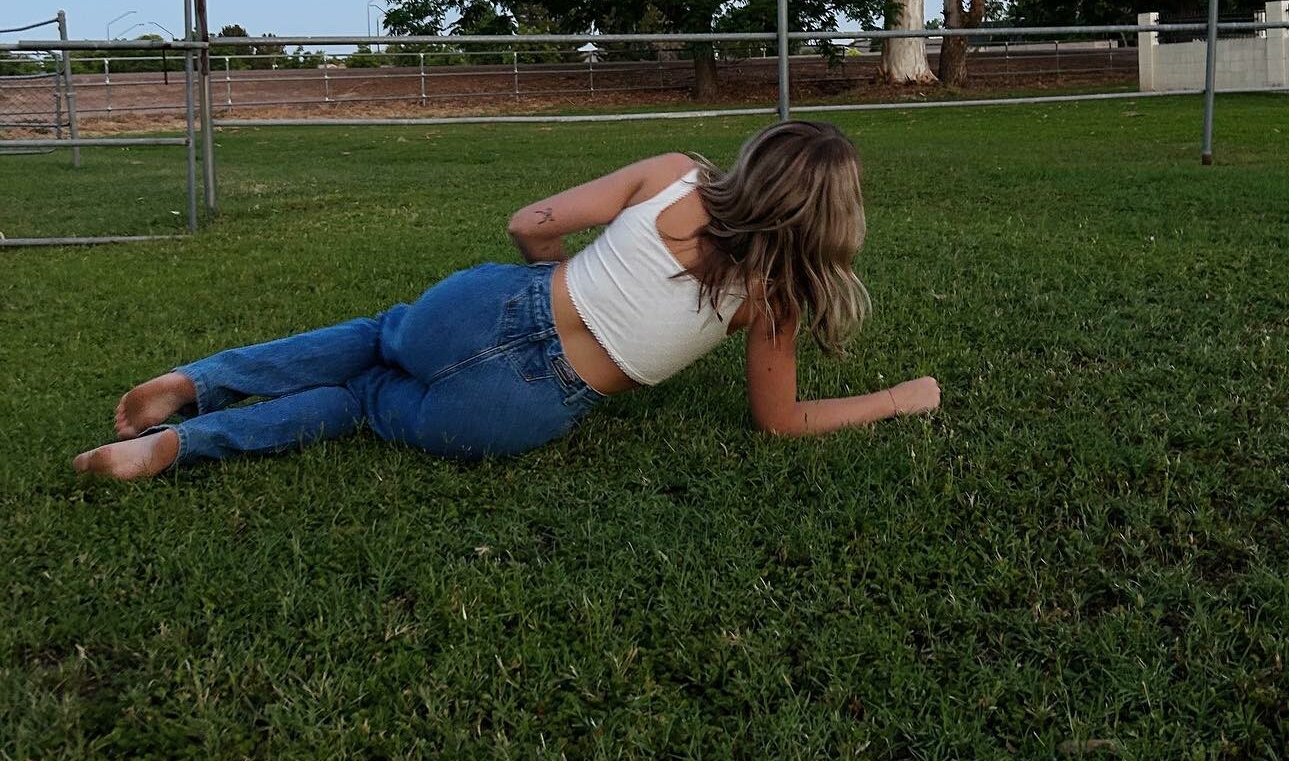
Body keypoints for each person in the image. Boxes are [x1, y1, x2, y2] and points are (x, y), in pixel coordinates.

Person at [73, 119, 942, 482]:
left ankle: (195, 383)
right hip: (521, 409)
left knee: (379, 337)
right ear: (832, 222)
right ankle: (177, 449)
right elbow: (780, 423)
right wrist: (898, 399)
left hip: (489, 307)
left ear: (753, 160)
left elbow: (530, 223)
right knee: (360, 405)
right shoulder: (774, 300)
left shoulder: (675, 175)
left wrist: (545, 277)